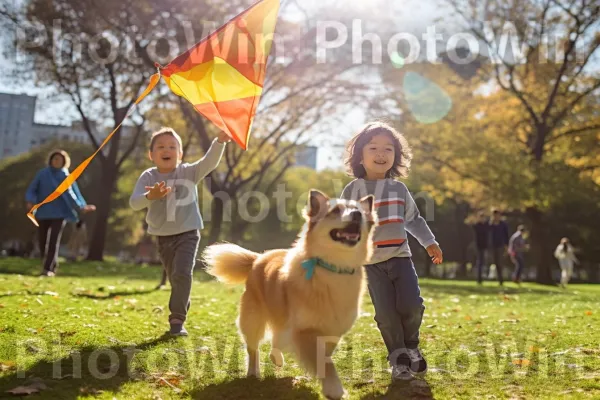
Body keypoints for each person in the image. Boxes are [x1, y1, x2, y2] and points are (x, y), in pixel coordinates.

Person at [340, 122, 443, 381]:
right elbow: (343, 225)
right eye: (373, 147)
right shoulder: (352, 190)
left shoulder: (399, 189)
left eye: (388, 149)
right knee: (385, 315)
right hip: (371, 264)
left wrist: (429, 242)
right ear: (360, 156)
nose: (381, 153)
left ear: (396, 156)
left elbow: (414, 219)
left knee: (412, 306)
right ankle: (398, 359)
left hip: (400, 258)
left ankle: (412, 345)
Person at [129, 127, 229, 336]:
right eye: (161, 147)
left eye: (172, 146)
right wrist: (151, 196)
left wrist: (219, 141)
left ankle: (177, 320)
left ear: (180, 154)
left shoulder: (188, 172)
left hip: (188, 232)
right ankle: (180, 307)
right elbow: (134, 203)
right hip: (163, 236)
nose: (167, 150)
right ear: (152, 155)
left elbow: (209, 162)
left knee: (182, 273)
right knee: (176, 278)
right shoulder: (148, 176)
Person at [25, 149, 95, 276]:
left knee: (53, 241)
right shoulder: (43, 174)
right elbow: (32, 189)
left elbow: (72, 194)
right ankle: (51, 263)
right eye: (55, 159)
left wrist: (81, 206)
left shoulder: (66, 176)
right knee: (42, 241)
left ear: (64, 162)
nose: (57, 161)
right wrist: (30, 200)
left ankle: (48, 269)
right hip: (43, 212)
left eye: (60, 159)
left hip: (59, 213)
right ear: (51, 160)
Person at [489, 209, 509, 285]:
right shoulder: (490, 225)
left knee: (500, 262)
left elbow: (506, 235)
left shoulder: (503, 225)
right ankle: (498, 278)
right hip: (493, 246)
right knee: (495, 262)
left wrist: (506, 246)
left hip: (500, 245)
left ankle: (501, 279)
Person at [473, 211, 489, 284]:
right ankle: (479, 279)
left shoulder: (486, 226)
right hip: (478, 246)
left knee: (483, 262)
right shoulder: (476, 226)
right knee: (479, 262)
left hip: (485, 246)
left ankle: (482, 277)